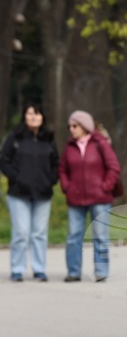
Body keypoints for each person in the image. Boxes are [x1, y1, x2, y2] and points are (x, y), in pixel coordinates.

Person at [58, 110, 120, 282]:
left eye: (75, 125)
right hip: (75, 199)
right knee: (73, 236)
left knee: (100, 236)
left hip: (100, 199)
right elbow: (62, 169)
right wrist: (67, 186)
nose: (71, 129)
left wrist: (105, 187)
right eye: (70, 126)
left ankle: (101, 272)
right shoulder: (69, 146)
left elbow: (114, 167)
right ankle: (73, 272)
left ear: (85, 126)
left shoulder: (101, 143)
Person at [0, 103, 59, 282]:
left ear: (43, 118)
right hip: (18, 194)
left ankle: (39, 269)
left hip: (43, 194)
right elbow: (4, 160)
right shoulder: (15, 138)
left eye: (37, 114)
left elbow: (56, 163)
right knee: (21, 233)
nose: (34, 117)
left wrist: (50, 180)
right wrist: (16, 178)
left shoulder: (48, 139)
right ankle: (17, 269)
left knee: (39, 233)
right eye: (30, 114)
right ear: (24, 116)